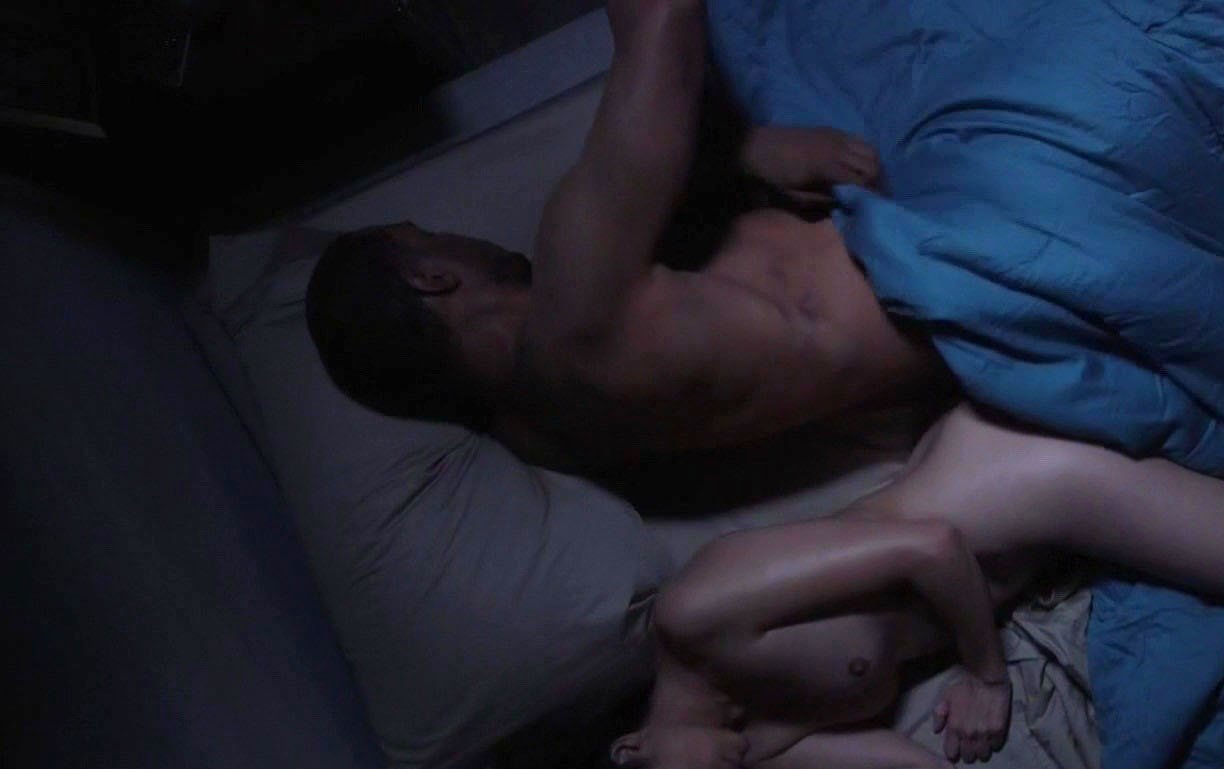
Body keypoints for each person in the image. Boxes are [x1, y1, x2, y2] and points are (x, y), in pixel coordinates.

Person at [497, 158, 1224, 769]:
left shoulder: (698, 616)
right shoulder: (772, 746)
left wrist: (986, 675)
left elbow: (927, 548)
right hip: (1040, 523)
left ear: (630, 751)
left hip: (1017, 485)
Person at [303, 0, 948, 472]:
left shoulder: (545, 436)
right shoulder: (574, 298)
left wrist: (751, 154)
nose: (461, 236)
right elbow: (664, 17)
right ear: (431, 276)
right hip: (928, 251)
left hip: (915, 307)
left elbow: (683, 279)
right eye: (433, 234)